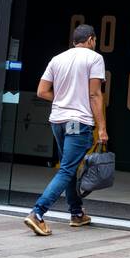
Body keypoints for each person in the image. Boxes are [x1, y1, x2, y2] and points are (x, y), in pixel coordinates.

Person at [24, 24, 108, 236]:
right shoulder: (94, 58)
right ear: (90, 39)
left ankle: (77, 213)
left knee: (68, 168)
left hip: (58, 122)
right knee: (67, 169)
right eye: (94, 41)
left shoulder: (57, 59)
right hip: (78, 122)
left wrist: (62, 99)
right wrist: (103, 128)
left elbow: (42, 91)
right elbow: (95, 94)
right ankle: (38, 213)